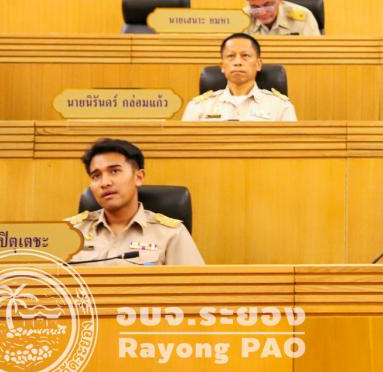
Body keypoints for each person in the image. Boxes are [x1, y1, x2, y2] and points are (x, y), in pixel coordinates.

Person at [66, 138, 205, 266]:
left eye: (114, 171)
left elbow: (194, 283)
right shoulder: (69, 231)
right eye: (96, 176)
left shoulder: (171, 234)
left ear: (138, 177)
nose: (105, 183)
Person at [182, 33, 297, 121]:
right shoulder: (199, 107)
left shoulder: (280, 106)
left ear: (258, 64)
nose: (237, 62)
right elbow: (184, 144)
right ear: (222, 66)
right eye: (231, 56)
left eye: (245, 56)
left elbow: (290, 144)